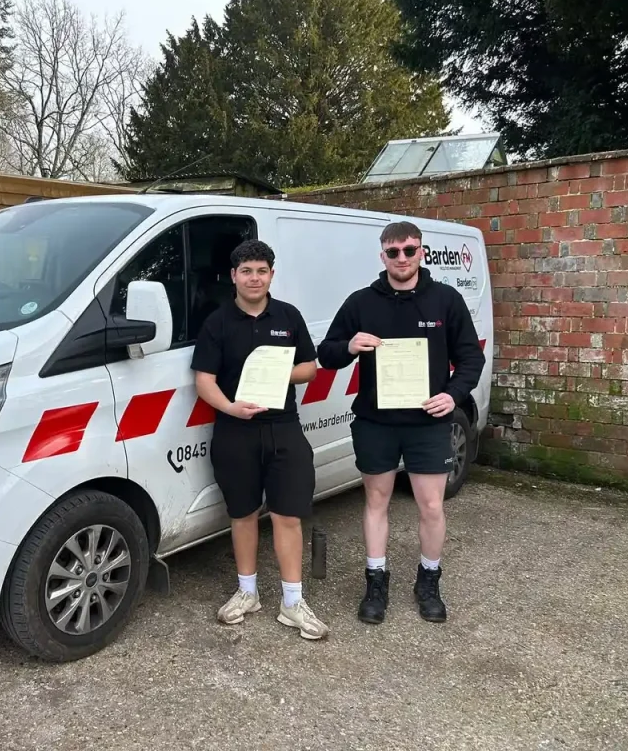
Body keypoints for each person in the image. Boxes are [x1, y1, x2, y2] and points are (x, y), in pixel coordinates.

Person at [316, 221, 485, 625]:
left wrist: (453, 394)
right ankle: (376, 581)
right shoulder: (361, 302)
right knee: (377, 502)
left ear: (421, 252)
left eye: (410, 250)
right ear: (383, 256)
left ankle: (428, 581)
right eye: (394, 252)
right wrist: (350, 346)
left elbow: (470, 359)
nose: (402, 258)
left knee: (430, 505)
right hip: (376, 422)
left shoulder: (446, 300)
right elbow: (327, 353)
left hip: (428, 423)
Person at [191, 238, 330, 640]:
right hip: (235, 431)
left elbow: (309, 367)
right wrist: (230, 407)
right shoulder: (216, 323)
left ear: (272, 275)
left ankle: (292, 602)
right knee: (243, 514)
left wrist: (277, 372)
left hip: (284, 427)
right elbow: (204, 381)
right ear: (234, 276)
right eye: (247, 271)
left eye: (262, 270)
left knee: (288, 514)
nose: (255, 278)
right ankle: (247, 593)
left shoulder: (289, 316)